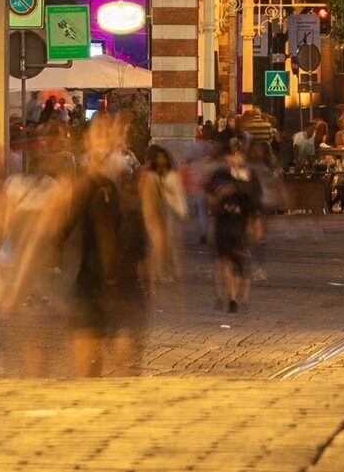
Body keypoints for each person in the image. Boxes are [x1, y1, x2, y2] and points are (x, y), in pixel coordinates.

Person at [20, 112, 168, 375]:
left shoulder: (134, 182)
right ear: (88, 141)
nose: (106, 140)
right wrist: (23, 279)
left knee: (127, 367)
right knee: (90, 369)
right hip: (87, 284)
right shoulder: (78, 183)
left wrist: (156, 271)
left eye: (112, 134)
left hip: (126, 286)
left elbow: (150, 228)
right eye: (99, 134)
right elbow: (49, 230)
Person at [202, 139, 266, 311]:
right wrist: (218, 197)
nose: (234, 158)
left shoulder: (249, 176)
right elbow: (208, 196)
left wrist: (256, 224)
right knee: (223, 259)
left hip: (241, 222)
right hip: (223, 219)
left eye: (237, 155)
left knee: (236, 261)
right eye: (231, 155)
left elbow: (256, 202)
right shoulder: (220, 174)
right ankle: (222, 296)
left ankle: (234, 299)